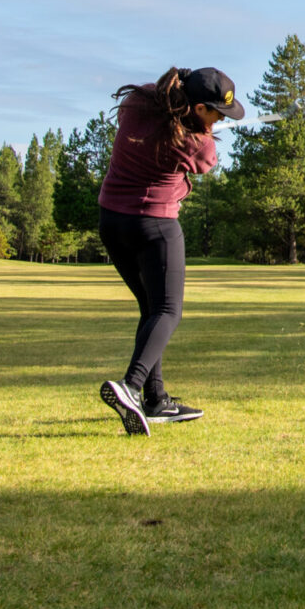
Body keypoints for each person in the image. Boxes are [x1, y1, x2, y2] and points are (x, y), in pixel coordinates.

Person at [96, 65, 243, 436]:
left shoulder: (138, 102)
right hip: (155, 226)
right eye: (215, 113)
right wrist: (203, 132)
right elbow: (205, 163)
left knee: (150, 310)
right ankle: (131, 387)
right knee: (168, 311)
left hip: (112, 221)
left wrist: (191, 123)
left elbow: (159, 121)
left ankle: (156, 399)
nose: (218, 120)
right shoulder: (197, 142)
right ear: (196, 109)